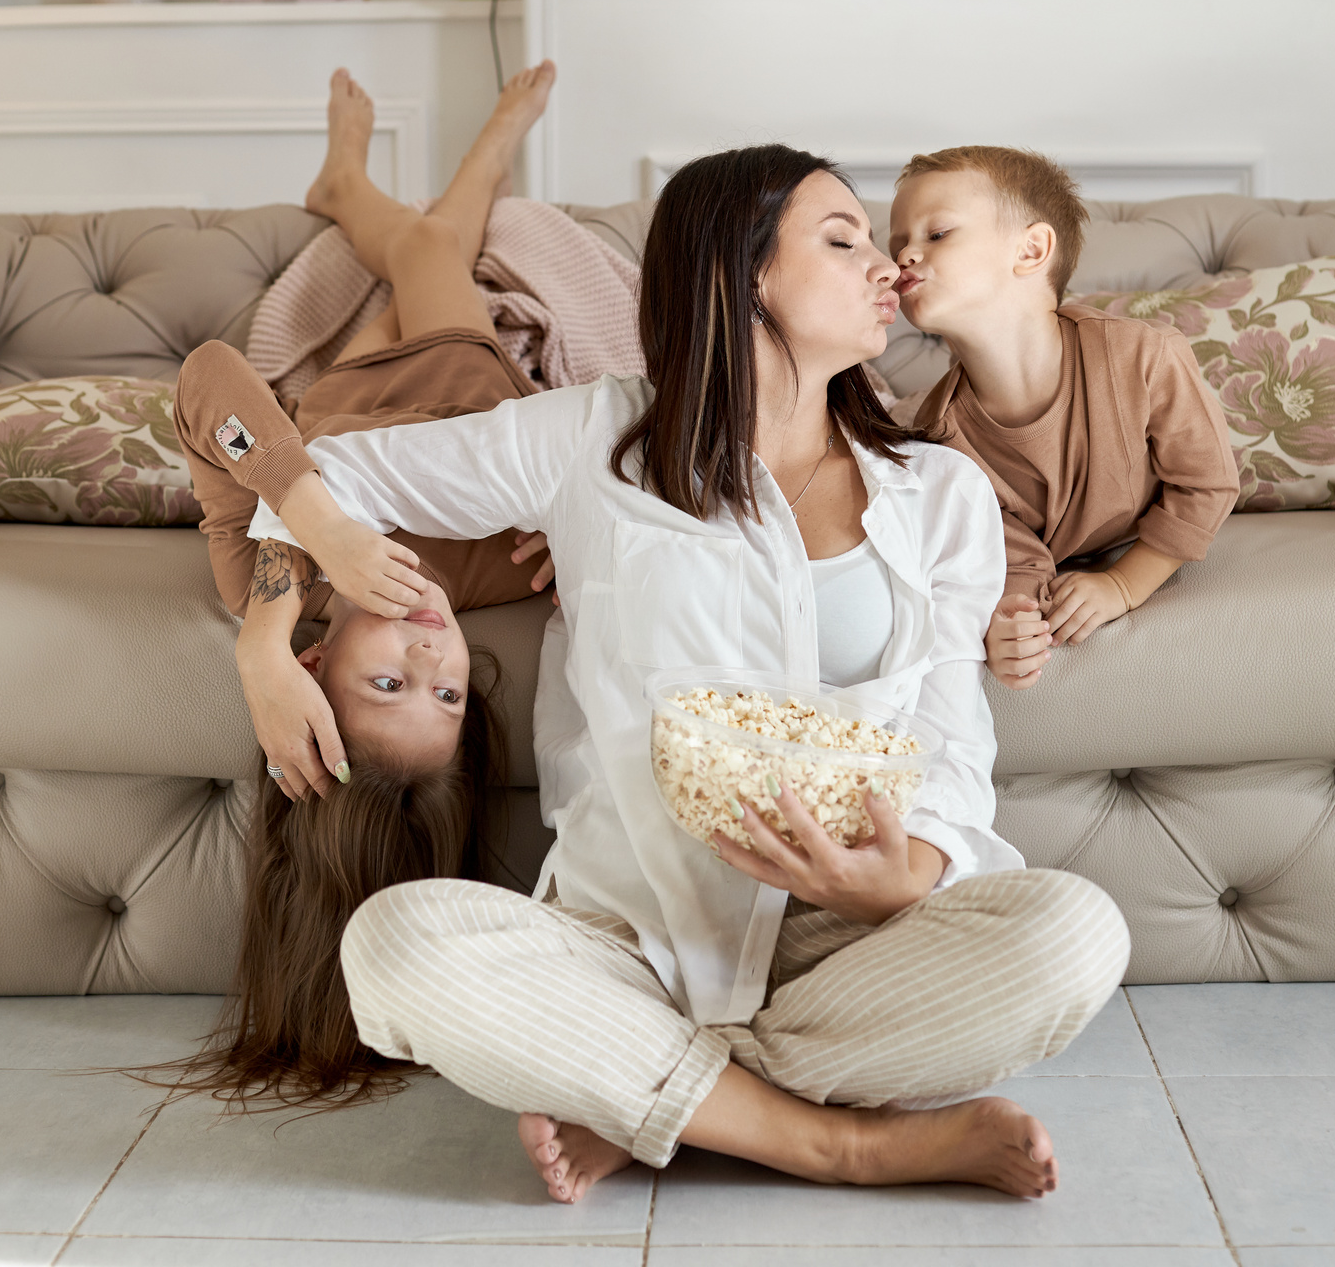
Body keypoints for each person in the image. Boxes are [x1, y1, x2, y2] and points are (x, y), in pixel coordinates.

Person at [248, 144, 1132, 1200]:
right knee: (394, 948)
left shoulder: (940, 494)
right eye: (844, 241)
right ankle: (840, 1143)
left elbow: (950, 740)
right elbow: (323, 469)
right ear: (743, 271)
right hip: (630, 939)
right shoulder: (593, 440)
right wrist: (264, 638)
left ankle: (655, 1099)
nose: (887, 268)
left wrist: (907, 875)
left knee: (1078, 935)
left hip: (849, 943)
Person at [159, 62, 561, 1108]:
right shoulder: (489, 564)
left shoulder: (260, 580)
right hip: (474, 376)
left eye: (389, 685)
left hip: (342, 396)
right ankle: (381, 176)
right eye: (450, 694)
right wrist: (586, 523)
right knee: (431, 253)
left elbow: (208, 376)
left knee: (422, 254)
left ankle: (352, 178)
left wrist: (304, 553)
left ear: (314, 666)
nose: (432, 654)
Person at [887, 147, 1240, 690]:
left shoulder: (1143, 357)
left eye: (936, 235)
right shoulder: (938, 437)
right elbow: (1005, 549)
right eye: (898, 244)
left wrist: (1122, 585)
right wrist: (1011, 622)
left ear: (1031, 250)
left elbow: (1206, 484)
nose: (905, 255)